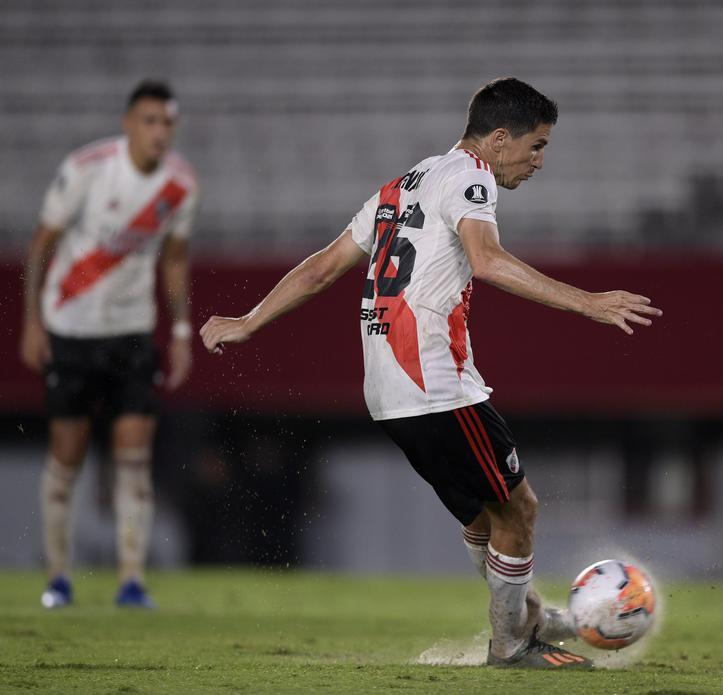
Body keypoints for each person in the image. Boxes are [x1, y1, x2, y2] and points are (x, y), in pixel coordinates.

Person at [200, 77, 659, 667]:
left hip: (387, 391)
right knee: (519, 509)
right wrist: (588, 302)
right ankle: (512, 644)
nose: (540, 161)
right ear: (499, 138)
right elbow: (487, 261)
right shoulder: (472, 178)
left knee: (484, 518)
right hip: (435, 384)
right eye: (537, 145)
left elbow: (322, 268)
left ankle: (525, 617)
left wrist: (250, 320)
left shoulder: (403, 185)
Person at [20, 79, 199, 609]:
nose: (159, 132)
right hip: (71, 329)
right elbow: (41, 244)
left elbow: (174, 260)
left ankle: (131, 580)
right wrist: (32, 322)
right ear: (128, 124)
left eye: (167, 123)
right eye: (150, 121)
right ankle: (58, 577)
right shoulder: (88, 169)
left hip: (131, 332)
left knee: (134, 458)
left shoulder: (181, 184)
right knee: (67, 456)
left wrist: (181, 332)